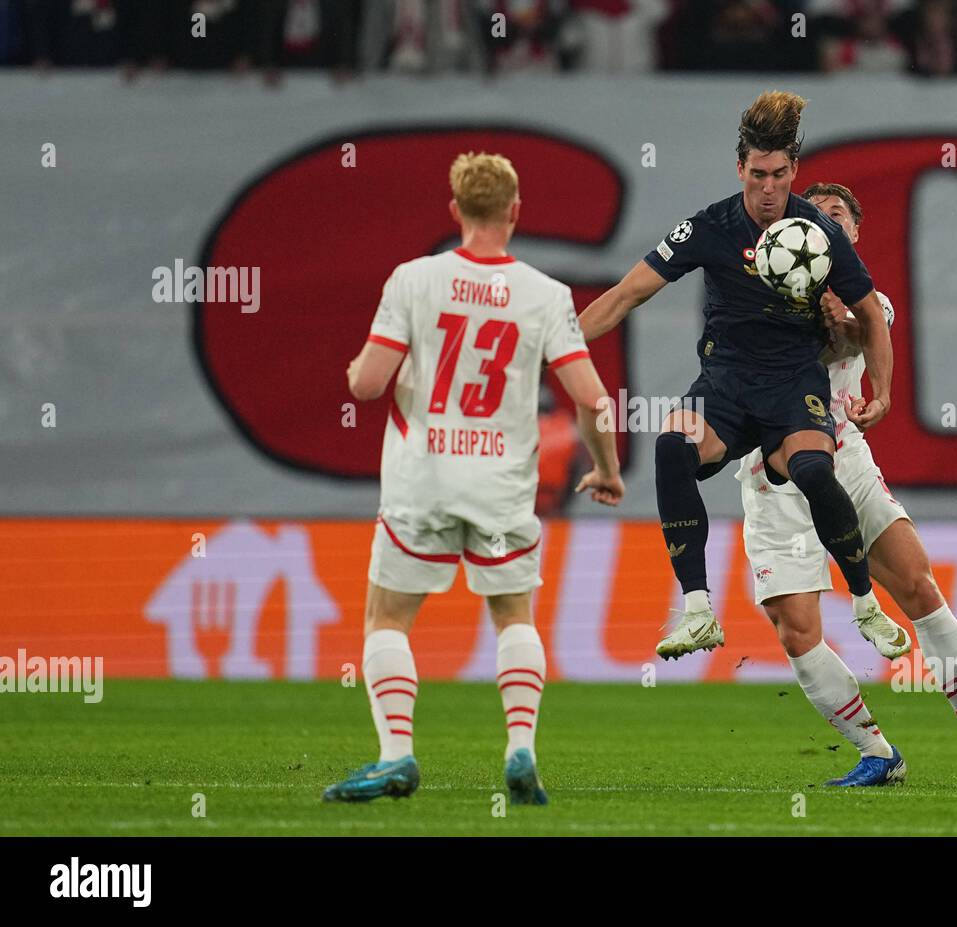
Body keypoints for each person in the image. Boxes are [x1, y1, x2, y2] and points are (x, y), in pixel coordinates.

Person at [324, 152, 624, 805]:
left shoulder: (413, 280)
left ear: (455, 210)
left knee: (387, 619)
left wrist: (355, 375)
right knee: (513, 614)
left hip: (421, 478)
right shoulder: (545, 295)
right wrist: (604, 467)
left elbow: (370, 382)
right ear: (516, 211)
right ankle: (520, 748)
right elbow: (594, 401)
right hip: (502, 485)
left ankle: (397, 754)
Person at [579, 90, 906, 664]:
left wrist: (883, 393)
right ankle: (699, 610)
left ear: (793, 171)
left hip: (791, 385)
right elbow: (628, 293)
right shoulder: (708, 227)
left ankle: (864, 603)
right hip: (726, 384)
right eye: (758, 174)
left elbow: (872, 313)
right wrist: (557, 345)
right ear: (740, 168)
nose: (768, 188)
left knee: (812, 471)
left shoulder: (819, 234)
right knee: (673, 445)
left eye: (780, 174)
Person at [736, 181, 957, 788]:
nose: (824, 223)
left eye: (838, 216)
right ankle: (877, 751)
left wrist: (834, 316)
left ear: (853, 236)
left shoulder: (872, 301)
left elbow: (858, 334)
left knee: (917, 584)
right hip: (772, 473)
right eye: (813, 214)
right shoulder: (751, 293)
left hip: (843, 457)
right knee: (795, 628)